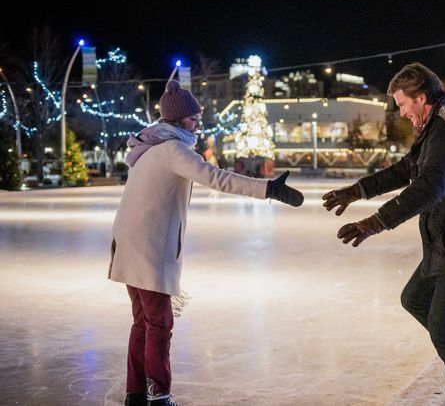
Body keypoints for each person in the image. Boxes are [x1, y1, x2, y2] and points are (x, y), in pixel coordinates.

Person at [322, 63, 445, 406]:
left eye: (403, 104)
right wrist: (359, 190)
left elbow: (431, 186)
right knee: (415, 299)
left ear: (421, 98)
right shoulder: (435, 127)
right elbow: (409, 168)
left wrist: (375, 222)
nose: (401, 112)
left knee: (443, 324)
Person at [109, 80, 304, 406]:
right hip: (149, 249)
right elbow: (217, 178)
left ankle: (136, 393)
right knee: (159, 324)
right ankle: (158, 395)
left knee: (144, 322)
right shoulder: (173, 149)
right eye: (194, 118)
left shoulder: (149, 145)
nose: (198, 123)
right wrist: (268, 189)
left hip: (128, 245)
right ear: (178, 119)